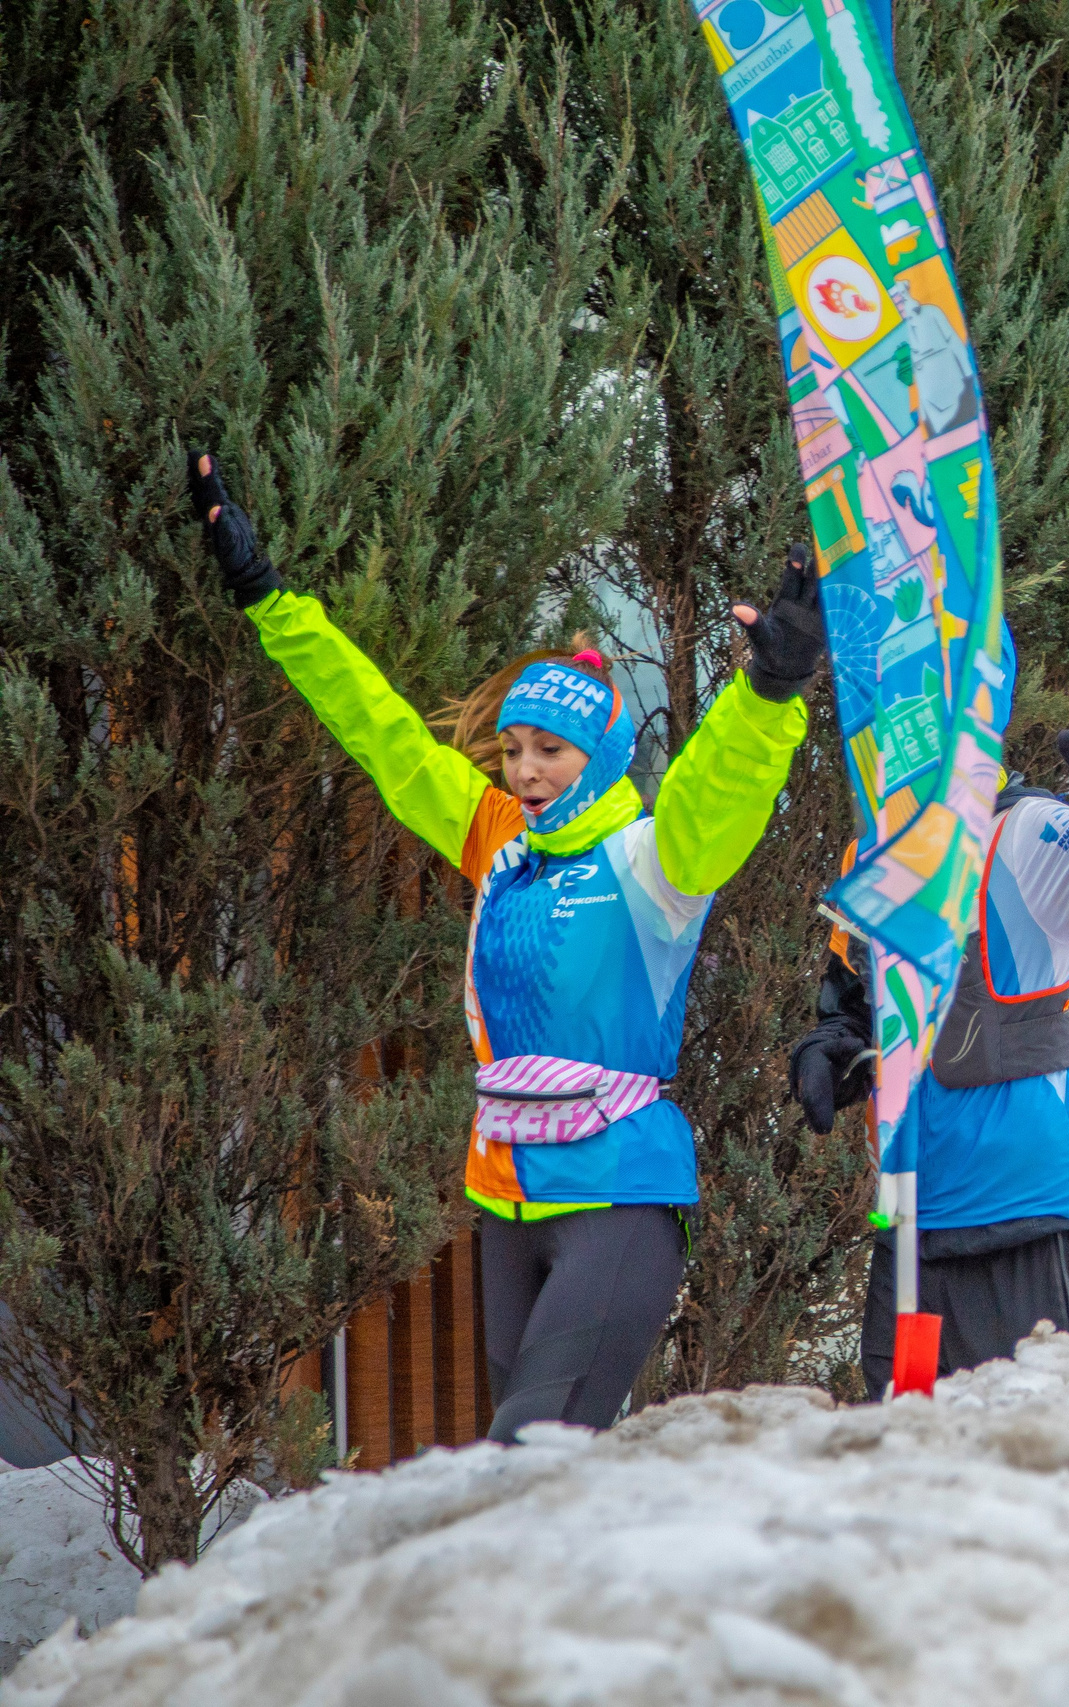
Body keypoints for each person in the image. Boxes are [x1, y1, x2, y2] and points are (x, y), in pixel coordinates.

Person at [185, 452, 819, 1442]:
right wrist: (271, 601)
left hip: (616, 1199)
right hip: (506, 1204)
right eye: (514, 749)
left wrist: (768, 694)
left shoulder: (657, 858)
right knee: (529, 1479)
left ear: (599, 756)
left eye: (549, 753)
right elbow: (383, 734)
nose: (524, 770)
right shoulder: (496, 841)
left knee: (533, 1457)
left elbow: (721, 784)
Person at [791, 619, 1069, 1397]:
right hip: (913, 1215)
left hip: (1035, 1204)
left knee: (1044, 1453)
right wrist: (831, 1044)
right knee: (910, 1452)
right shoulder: (871, 856)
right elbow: (855, 1003)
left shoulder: (1027, 832)